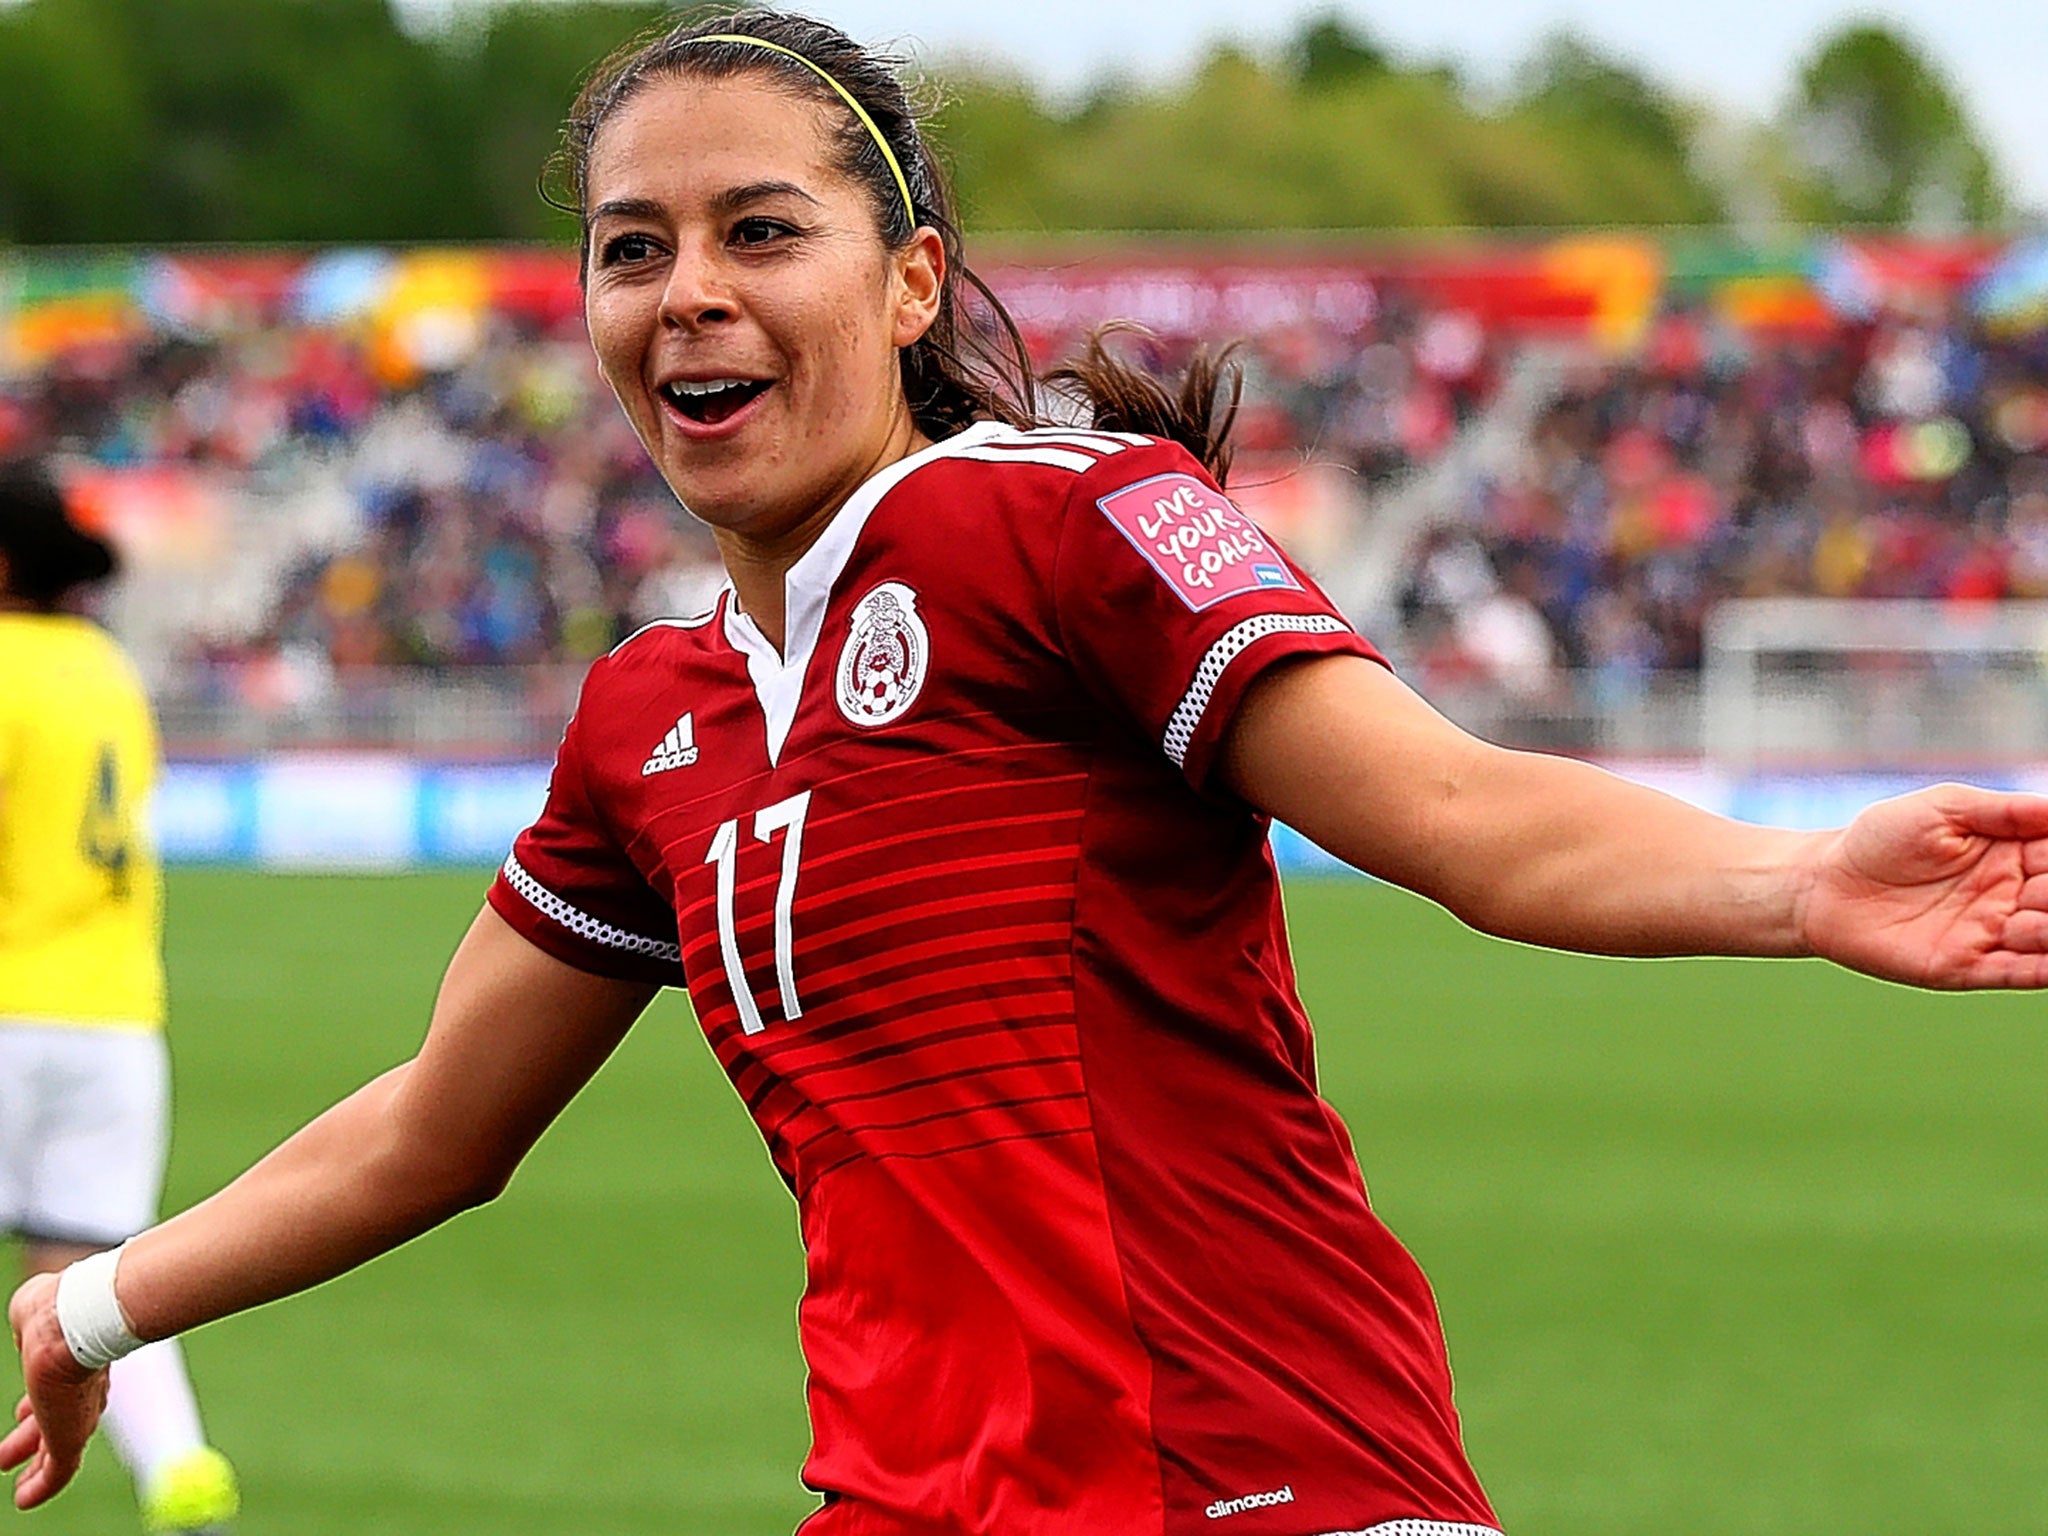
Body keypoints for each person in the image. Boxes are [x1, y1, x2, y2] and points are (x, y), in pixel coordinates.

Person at [9, 12, 2047, 1533]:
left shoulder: (1063, 524)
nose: (689, 289)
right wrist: (96, 1303)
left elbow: (1454, 816)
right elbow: (432, 1131)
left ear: (906, 284)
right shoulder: (649, 717)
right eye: (634, 249)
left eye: (759, 230)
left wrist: (1794, 881)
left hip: (1254, 1482)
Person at [0, 462, 240, 1534]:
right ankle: (180, 1468)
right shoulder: (105, 669)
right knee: (95, 1276)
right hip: (112, 1016)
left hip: (7, 1000)